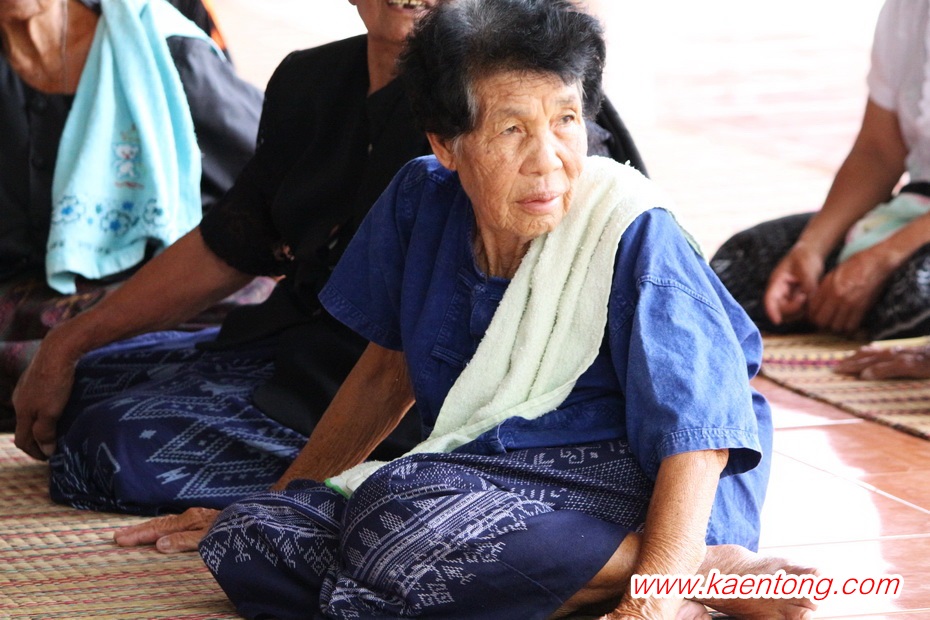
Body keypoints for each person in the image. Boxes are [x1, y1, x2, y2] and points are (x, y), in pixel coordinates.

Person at [114, 1, 816, 617]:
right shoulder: (420, 200)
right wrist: (285, 496)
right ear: (445, 145)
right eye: (512, 130)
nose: (548, 159)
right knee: (253, 537)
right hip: (492, 475)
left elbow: (699, 439)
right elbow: (385, 375)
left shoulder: (630, 228)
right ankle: (598, 584)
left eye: (566, 120)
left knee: (402, 518)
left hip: (642, 480)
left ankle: (683, 571)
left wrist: (650, 605)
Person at [13, 0, 645, 516]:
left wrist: (286, 503)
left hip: (402, 395)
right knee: (80, 388)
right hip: (293, 344)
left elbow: (423, 359)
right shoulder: (309, 80)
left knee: (106, 449)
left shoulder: (499, 108)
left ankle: (333, 487)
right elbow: (232, 240)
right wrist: (70, 341)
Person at [0, 0, 265, 426]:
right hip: (20, 308)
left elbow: (276, 173)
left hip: (150, 289)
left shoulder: (162, 48)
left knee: (234, 328)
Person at [711, 0, 930, 341]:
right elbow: (877, 153)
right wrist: (810, 249)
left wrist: (881, 259)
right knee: (736, 269)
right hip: (913, 209)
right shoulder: (907, 9)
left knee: (916, 292)